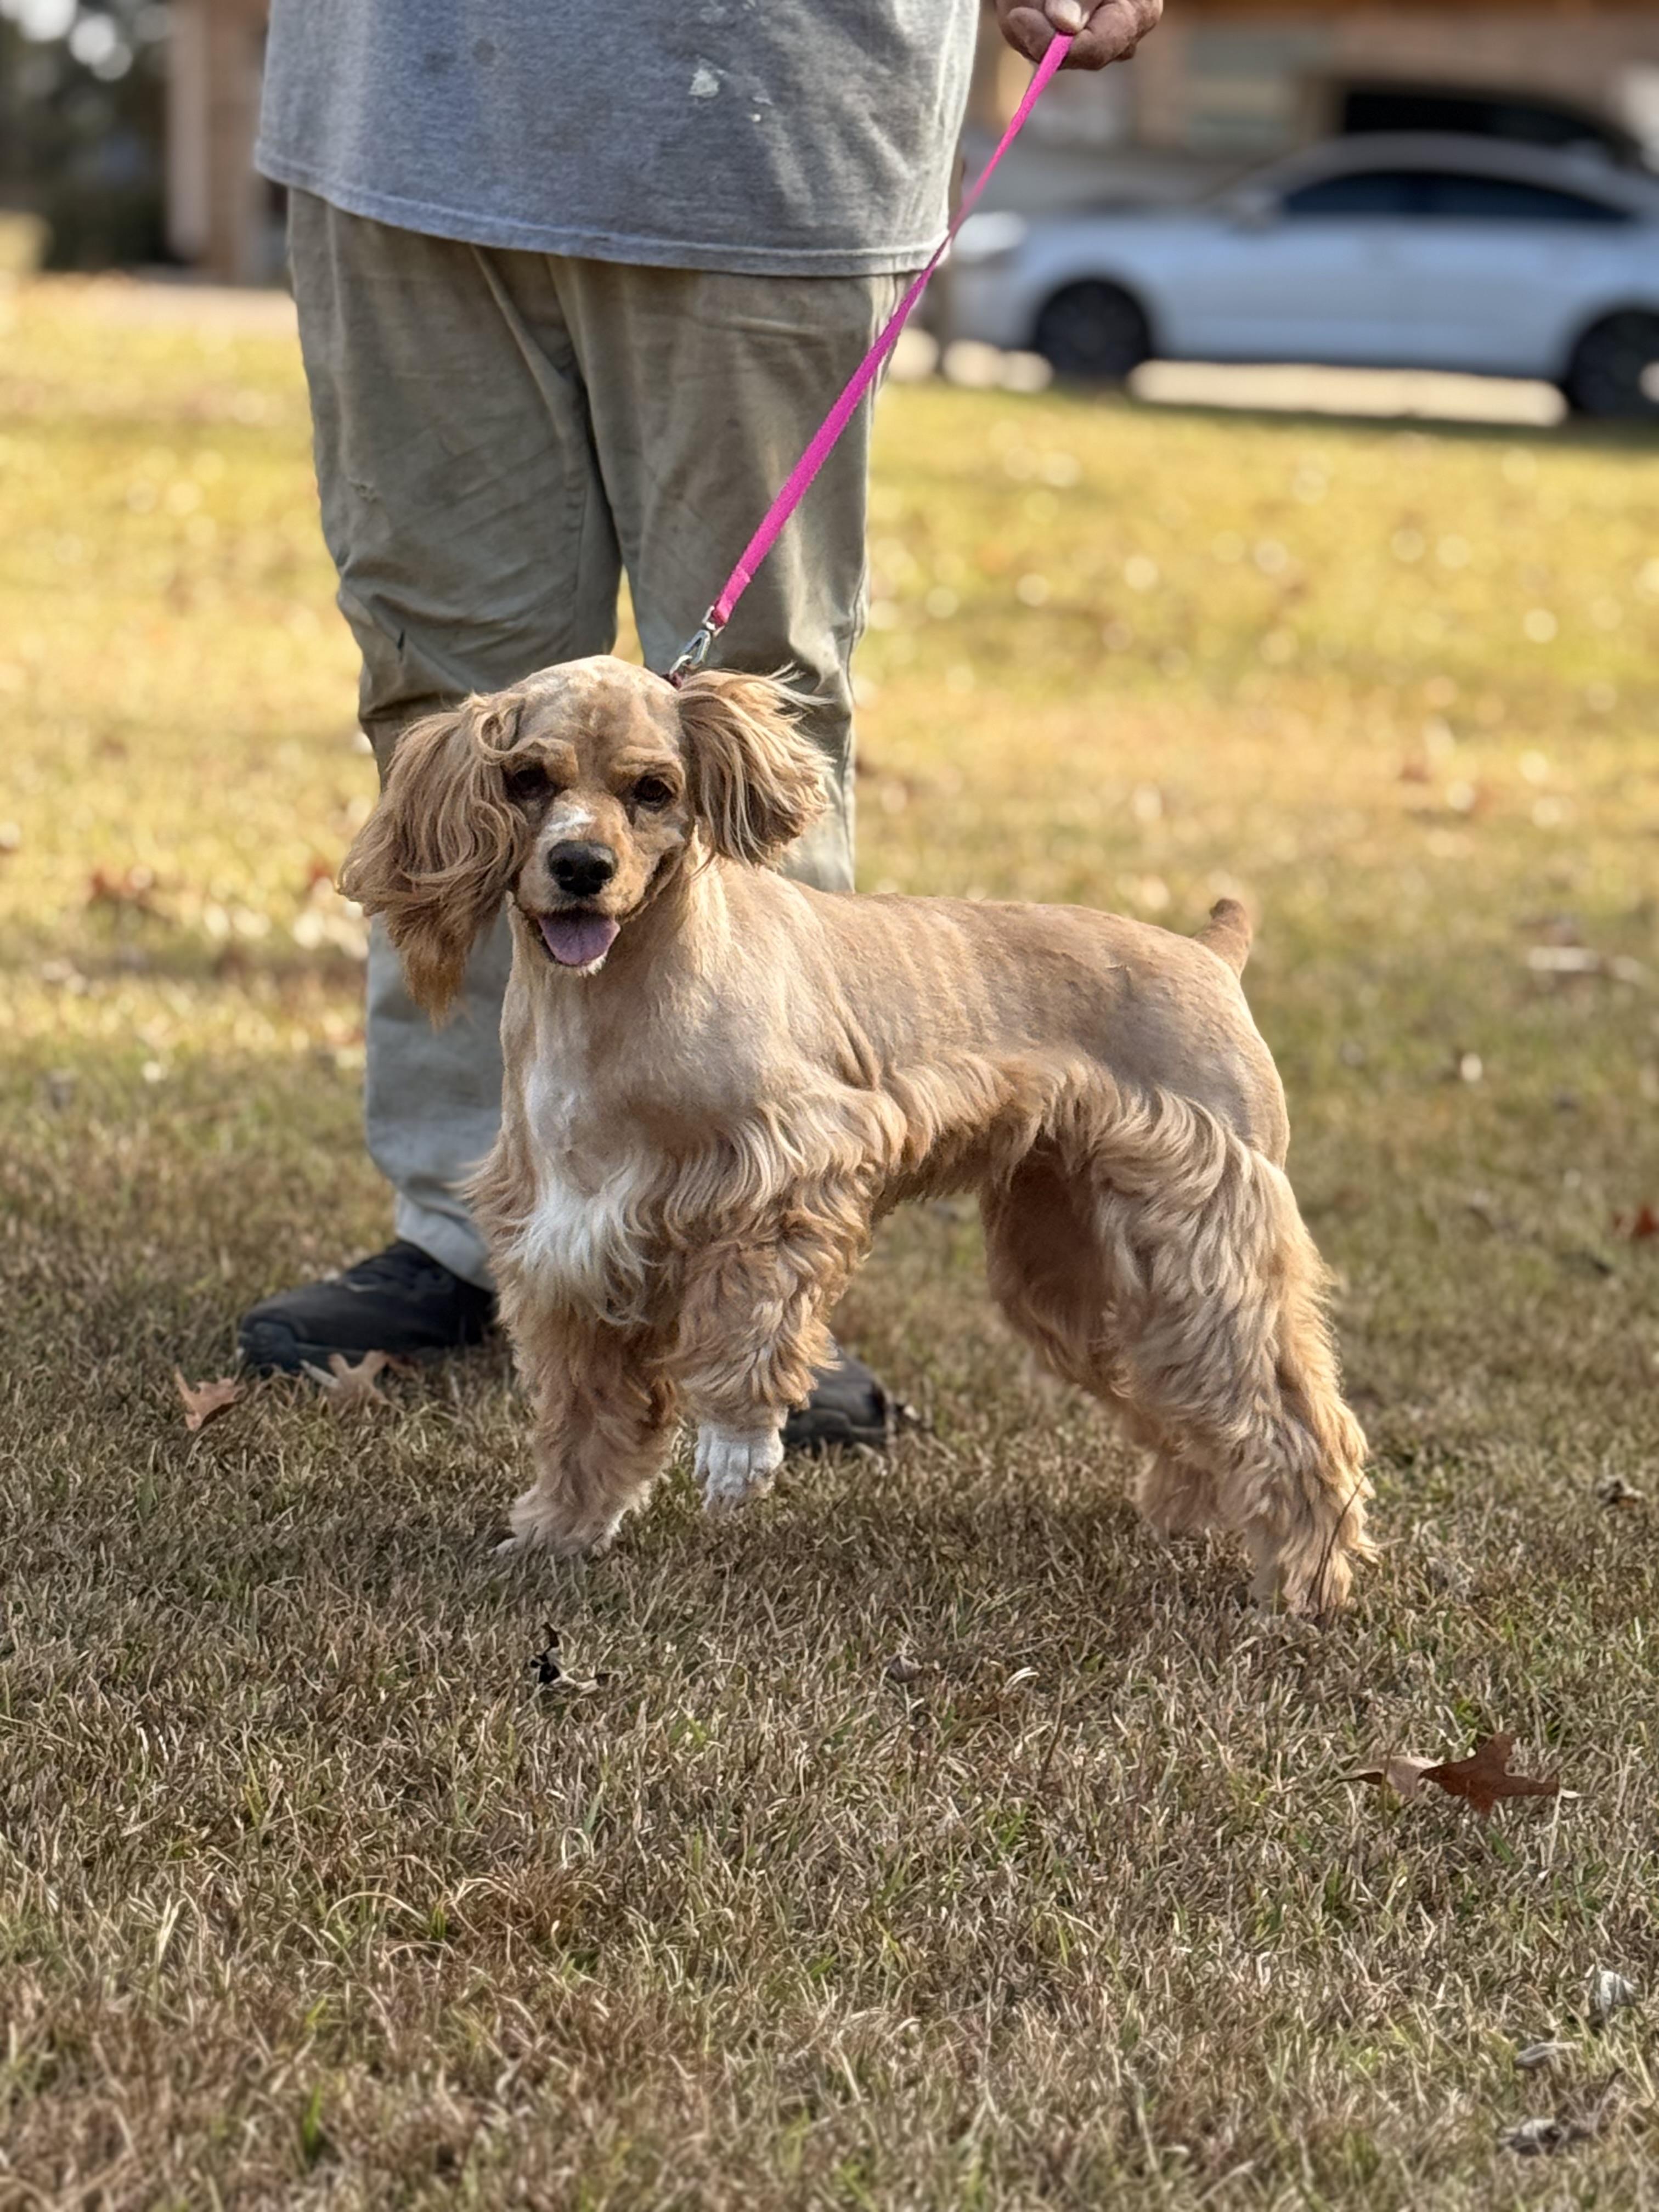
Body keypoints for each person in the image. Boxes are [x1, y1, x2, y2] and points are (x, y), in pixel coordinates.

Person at [239, 0, 1161, 1448]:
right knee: (442, 705)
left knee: (746, 725)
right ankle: (483, 1230)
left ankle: (761, 1260)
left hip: (765, 115)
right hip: (398, 108)